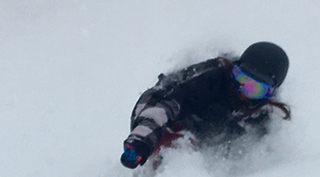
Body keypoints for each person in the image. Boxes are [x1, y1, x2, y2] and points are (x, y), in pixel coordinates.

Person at [120, 41, 290, 169]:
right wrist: (141, 141)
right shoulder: (212, 81)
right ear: (234, 70)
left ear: (270, 92)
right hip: (160, 104)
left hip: (205, 125)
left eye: (255, 89)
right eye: (241, 78)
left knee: (214, 146)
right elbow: (168, 107)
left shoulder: (265, 113)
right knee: (176, 147)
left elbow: (264, 150)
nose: (243, 90)